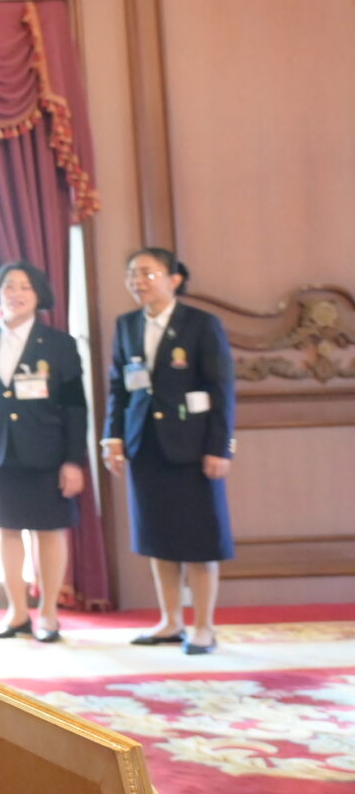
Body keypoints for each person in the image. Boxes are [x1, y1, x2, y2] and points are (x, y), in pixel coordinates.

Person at [103, 248, 236, 654]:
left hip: (194, 448)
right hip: (145, 444)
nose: (137, 281)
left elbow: (221, 389)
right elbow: (119, 387)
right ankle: (171, 622)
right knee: (157, 536)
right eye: (132, 274)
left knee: (199, 539)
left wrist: (219, 447)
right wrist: (113, 437)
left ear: (173, 278)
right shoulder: (127, 324)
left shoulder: (201, 324)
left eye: (147, 273)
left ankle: (204, 627)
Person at [0, 261, 89, 643]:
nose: (15, 294)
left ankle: (48, 614)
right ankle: (16, 612)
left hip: (48, 452)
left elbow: (76, 407)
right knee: (8, 529)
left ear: (38, 295)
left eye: (24, 287)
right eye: (8, 286)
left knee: (48, 531)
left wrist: (73, 461)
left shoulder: (60, 344)